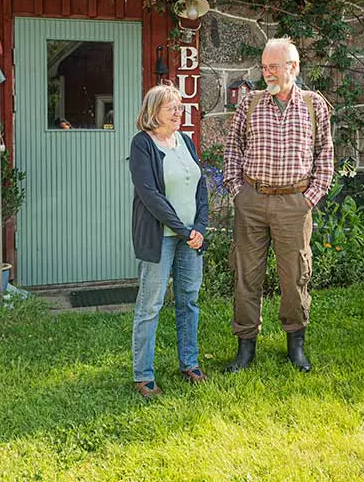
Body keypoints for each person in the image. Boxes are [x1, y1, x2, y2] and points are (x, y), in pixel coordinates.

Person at [223, 37, 334, 373]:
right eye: (264, 66)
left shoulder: (315, 105)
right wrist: (237, 192)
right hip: (252, 202)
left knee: (295, 276)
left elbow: (325, 156)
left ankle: (295, 346)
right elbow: (232, 149)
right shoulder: (250, 103)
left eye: (274, 66)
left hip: (294, 203)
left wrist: (308, 199)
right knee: (246, 276)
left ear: (294, 67)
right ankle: (245, 348)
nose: (267, 73)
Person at [129, 82, 209, 399]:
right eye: (171, 108)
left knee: (188, 301)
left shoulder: (186, 141)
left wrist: (200, 226)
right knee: (151, 305)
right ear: (153, 112)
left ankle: (189, 363)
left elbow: (200, 187)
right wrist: (183, 230)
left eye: (180, 107)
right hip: (161, 237)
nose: (179, 112)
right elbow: (151, 196)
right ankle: (143, 375)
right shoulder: (142, 145)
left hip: (191, 236)